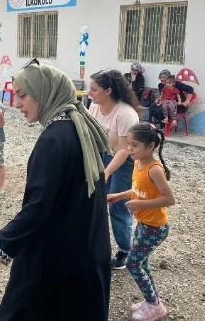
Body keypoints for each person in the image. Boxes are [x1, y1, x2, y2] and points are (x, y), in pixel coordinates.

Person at [0, 61, 113, 321]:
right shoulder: (74, 127)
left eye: (23, 95)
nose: (16, 103)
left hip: (58, 257)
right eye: (14, 94)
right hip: (83, 248)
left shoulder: (55, 139)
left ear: (46, 92)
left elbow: (38, 207)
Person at [108, 122, 175, 320]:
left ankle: (154, 305)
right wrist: (119, 195)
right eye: (129, 144)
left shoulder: (155, 169)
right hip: (144, 224)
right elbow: (138, 191)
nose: (130, 149)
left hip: (155, 228)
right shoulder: (138, 163)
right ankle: (153, 302)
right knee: (142, 263)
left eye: (135, 145)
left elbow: (169, 199)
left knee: (133, 264)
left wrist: (139, 205)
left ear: (150, 147)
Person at [88, 69, 140, 269]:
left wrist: (106, 172)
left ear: (108, 90)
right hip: (101, 154)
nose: (90, 92)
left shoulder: (126, 114)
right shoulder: (94, 106)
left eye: (94, 89)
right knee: (94, 198)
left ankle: (125, 250)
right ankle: (95, 244)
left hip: (124, 160)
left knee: (117, 204)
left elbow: (124, 150)